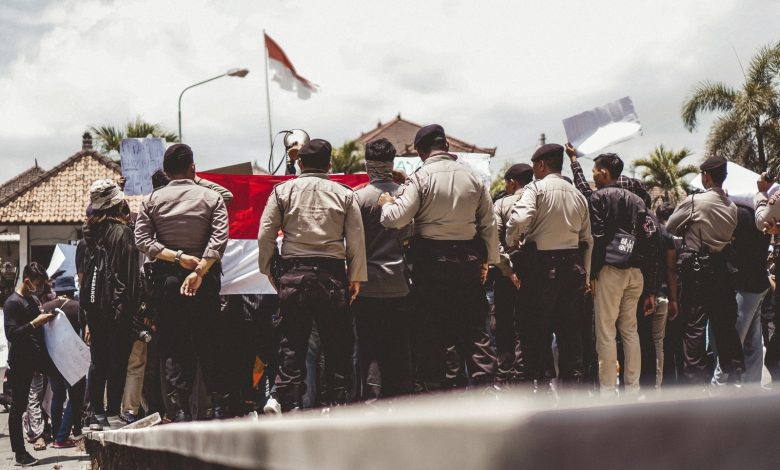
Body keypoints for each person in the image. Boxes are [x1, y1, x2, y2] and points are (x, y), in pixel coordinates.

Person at [379, 124, 499, 392]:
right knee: (475, 330)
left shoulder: (420, 177)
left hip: (432, 263)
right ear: (446, 146)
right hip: (468, 260)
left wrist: (388, 202)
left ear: (421, 152)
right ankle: (487, 388)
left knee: (433, 329)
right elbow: (489, 225)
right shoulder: (474, 178)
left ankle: (440, 390)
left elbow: (394, 219)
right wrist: (488, 262)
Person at [257, 138, 367, 411]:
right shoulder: (345, 194)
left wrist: (270, 269)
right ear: (330, 165)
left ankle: (288, 402)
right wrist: (355, 277)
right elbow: (356, 241)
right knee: (337, 345)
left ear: (299, 163)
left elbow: (265, 234)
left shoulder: (283, 192)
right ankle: (336, 403)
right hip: (332, 277)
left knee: (292, 343)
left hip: (294, 275)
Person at [135, 144, 229, 421]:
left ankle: (180, 411)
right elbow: (219, 239)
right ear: (193, 167)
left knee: (174, 348)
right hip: (206, 280)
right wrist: (200, 271)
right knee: (210, 342)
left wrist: (177, 258)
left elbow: (142, 240)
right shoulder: (212, 198)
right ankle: (217, 408)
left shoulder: (151, 200)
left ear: (165, 171)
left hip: (168, 281)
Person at [505, 143, 592, 391]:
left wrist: (513, 239)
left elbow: (520, 218)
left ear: (541, 165)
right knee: (570, 338)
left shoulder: (536, 189)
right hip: (572, 271)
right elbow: (588, 240)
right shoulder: (577, 194)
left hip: (541, 270)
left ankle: (540, 392)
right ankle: (571, 396)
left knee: (535, 335)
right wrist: (584, 277)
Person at [666, 155, 745, 385]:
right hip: (722, 272)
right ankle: (733, 377)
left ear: (706, 176)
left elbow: (671, 226)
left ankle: (695, 383)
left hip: (698, 273)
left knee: (695, 329)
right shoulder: (732, 208)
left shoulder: (695, 202)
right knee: (723, 328)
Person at [580, 153, 655, 396]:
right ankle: (633, 389)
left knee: (606, 332)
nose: (592, 175)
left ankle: (608, 391)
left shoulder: (598, 197)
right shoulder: (638, 200)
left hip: (609, 270)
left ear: (603, 172)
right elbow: (649, 239)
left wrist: (592, 272)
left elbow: (598, 237)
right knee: (630, 331)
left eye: (594, 170)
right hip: (635, 272)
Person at [353, 138, 413, 401]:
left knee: (369, 348)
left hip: (366, 286)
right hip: (400, 284)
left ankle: (371, 401)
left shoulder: (357, 198)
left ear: (367, 165)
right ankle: (399, 402)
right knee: (399, 346)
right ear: (392, 163)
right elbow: (413, 233)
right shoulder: (406, 196)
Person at [81, 180, 139, 431]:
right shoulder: (122, 233)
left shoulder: (91, 234)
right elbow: (129, 278)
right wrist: (131, 312)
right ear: (118, 203)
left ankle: (96, 415)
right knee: (118, 363)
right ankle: (113, 412)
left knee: (98, 362)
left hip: (94, 308)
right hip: (117, 310)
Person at [710, 200, 770, 385]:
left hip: (745, 285)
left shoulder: (740, 216)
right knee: (753, 342)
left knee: (732, 340)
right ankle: (751, 387)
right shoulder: (762, 216)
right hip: (759, 284)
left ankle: (718, 386)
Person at [4, 263, 56, 466]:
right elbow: (12, 334)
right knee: (18, 408)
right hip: (19, 363)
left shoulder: (32, 299)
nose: (40, 288)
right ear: (27, 281)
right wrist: (35, 322)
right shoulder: (12, 303)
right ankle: (19, 454)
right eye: (38, 284)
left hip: (35, 361)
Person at [492, 163, 533, 382]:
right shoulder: (541, 199)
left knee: (505, 326)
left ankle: (505, 376)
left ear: (512, 183)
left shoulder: (500, 204)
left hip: (505, 275)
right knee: (530, 326)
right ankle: (527, 374)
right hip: (536, 274)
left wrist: (508, 270)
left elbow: (494, 242)